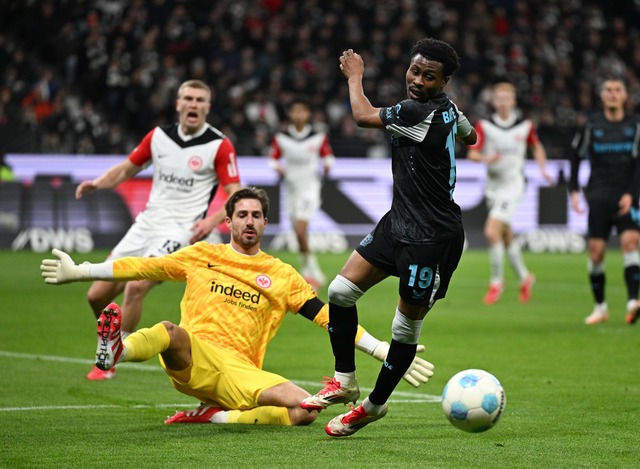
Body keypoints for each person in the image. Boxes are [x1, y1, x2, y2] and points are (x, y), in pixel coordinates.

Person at [40, 187, 435, 427]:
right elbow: (144, 265)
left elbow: (328, 317)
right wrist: (82, 271)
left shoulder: (280, 274)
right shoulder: (201, 255)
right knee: (169, 330)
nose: (250, 221)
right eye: (242, 215)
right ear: (228, 221)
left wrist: (381, 348)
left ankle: (216, 415)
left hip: (239, 372)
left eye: (257, 216)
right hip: (190, 355)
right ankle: (118, 350)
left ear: (265, 223)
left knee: (305, 411)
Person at [300, 38, 477, 436]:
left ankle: (374, 406)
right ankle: (344, 380)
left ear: (444, 81)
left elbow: (362, 115)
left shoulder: (417, 110)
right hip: (398, 222)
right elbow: (472, 137)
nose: (417, 80)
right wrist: (456, 128)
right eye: (415, 71)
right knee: (341, 291)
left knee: (403, 330)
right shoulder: (447, 107)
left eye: (429, 77)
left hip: (431, 237)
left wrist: (355, 76)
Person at [75, 79, 242, 380]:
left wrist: (210, 221)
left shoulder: (219, 145)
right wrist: (97, 183)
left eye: (200, 100)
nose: (193, 104)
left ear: (208, 107)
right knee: (96, 294)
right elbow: (128, 168)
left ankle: (116, 354)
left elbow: (235, 192)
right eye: (188, 98)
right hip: (146, 224)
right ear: (177, 103)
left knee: (137, 284)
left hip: (181, 231)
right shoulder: (158, 137)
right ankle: (110, 342)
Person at [466, 82, 554, 305]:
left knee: (491, 231)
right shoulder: (485, 126)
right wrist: (487, 159)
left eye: (507, 98)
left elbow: (537, 146)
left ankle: (497, 282)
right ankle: (525, 277)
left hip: (514, 186)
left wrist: (543, 168)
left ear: (513, 101)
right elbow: (472, 154)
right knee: (505, 235)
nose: (503, 102)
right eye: (499, 98)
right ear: (494, 101)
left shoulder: (525, 125)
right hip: (493, 188)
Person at [569, 78, 640, 325]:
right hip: (598, 195)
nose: (612, 94)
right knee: (596, 253)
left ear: (624, 96)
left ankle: (633, 302)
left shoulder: (635, 125)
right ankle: (600, 308)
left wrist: (632, 193)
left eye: (617, 90)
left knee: (630, 242)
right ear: (602, 96)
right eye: (608, 90)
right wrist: (574, 190)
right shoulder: (591, 125)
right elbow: (576, 157)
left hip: (628, 196)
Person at [268, 97, 335, 289]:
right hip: (290, 191)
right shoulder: (282, 138)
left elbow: (328, 156)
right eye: (295, 111)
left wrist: (328, 166)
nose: (298, 114)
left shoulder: (317, 137)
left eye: (302, 111)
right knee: (298, 234)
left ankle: (312, 273)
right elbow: (272, 159)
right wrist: (277, 168)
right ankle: (311, 272)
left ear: (308, 114)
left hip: (310, 189)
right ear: (290, 114)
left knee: (300, 229)